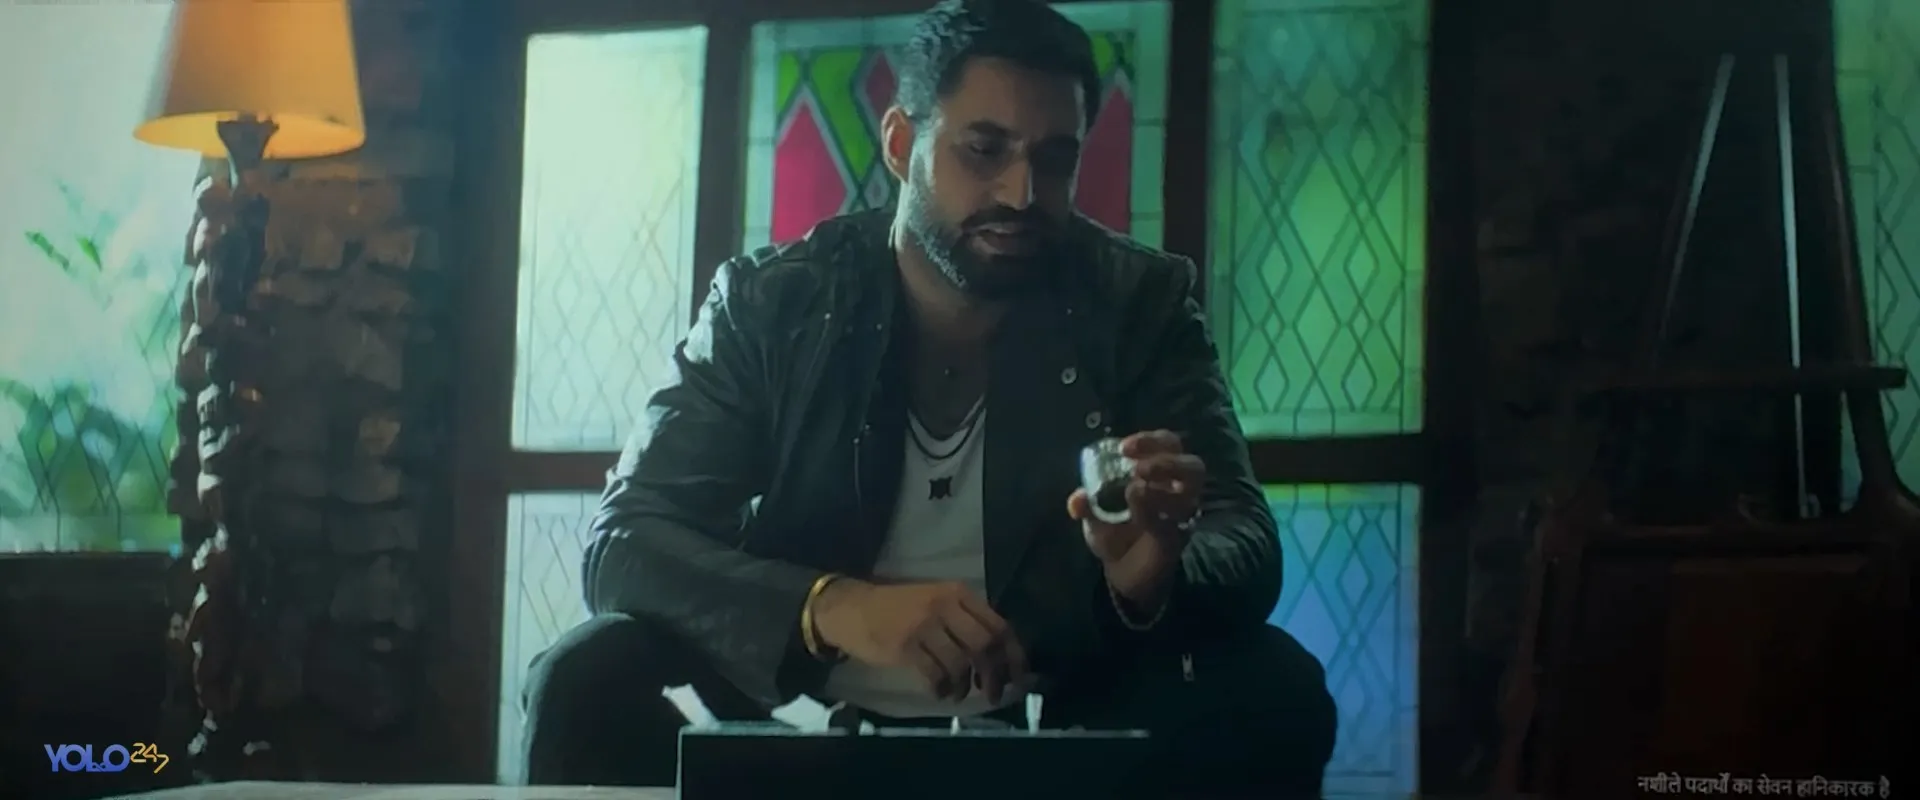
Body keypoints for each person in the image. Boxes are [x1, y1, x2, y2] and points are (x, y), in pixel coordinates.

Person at [520, 0, 1337, 794]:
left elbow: (1242, 533)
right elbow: (624, 542)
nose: (1021, 193)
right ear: (901, 142)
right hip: (794, 734)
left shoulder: (1137, 303)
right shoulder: (773, 303)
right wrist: (834, 608)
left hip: (1062, 734)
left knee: (1276, 685)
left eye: (1055, 160)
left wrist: (1148, 582)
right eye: (983, 150)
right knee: (584, 677)